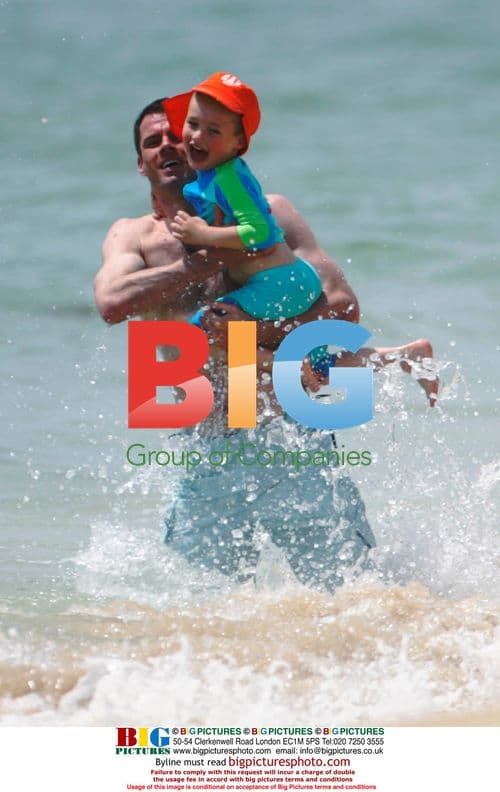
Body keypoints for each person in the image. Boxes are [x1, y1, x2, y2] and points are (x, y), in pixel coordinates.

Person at [94, 98, 379, 593]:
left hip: (291, 440)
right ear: (141, 164)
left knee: (358, 600)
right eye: (151, 142)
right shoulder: (134, 238)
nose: (167, 145)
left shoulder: (268, 214)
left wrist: (253, 328)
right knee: (202, 623)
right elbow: (112, 303)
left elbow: (341, 305)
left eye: (176, 134)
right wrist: (204, 259)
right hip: (206, 458)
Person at [162, 72, 438, 402]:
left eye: (213, 131)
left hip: (277, 282)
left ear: (238, 144)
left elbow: (260, 232)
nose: (197, 136)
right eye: (192, 124)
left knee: (202, 331)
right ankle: (404, 355)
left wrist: (204, 233)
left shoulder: (229, 175)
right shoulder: (215, 176)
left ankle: (283, 368)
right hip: (286, 280)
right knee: (320, 368)